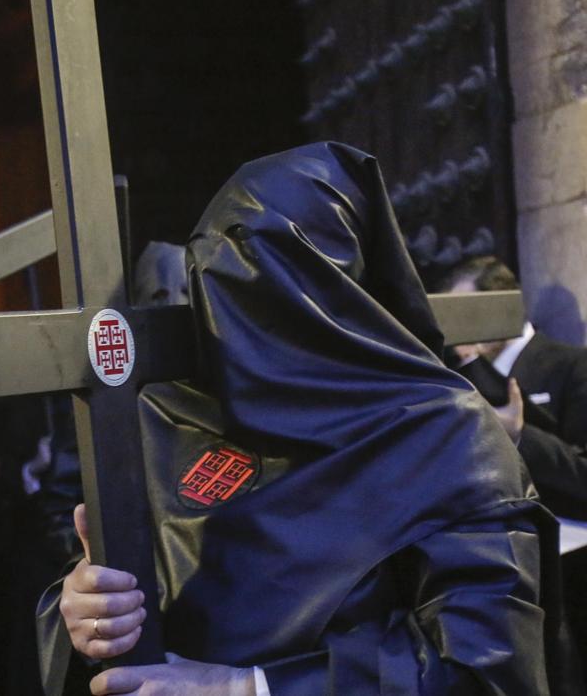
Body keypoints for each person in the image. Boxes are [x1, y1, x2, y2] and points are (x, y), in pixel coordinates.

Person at [38, 142, 568, 694]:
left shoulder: (448, 437)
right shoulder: (177, 418)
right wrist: (84, 610)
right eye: (224, 292)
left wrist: (247, 688)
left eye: (279, 291)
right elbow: (111, 600)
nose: (249, 329)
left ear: (341, 292)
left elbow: (485, 669)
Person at [437, 256, 587, 517]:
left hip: (559, 527)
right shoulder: (456, 372)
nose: (463, 326)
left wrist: (520, 435)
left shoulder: (572, 364)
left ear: (503, 304)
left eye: (470, 312)